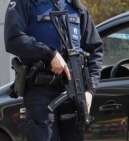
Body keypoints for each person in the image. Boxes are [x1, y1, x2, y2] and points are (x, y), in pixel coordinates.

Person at [4, 0, 103, 141]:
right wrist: (49, 54)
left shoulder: (75, 5)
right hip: (40, 93)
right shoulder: (24, 3)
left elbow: (96, 49)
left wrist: (90, 91)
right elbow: (13, 39)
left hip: (75, 94)